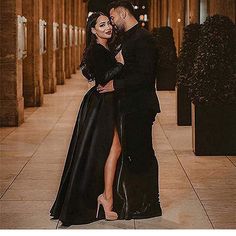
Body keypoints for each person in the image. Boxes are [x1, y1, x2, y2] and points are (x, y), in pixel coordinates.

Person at [50, 12, 124, 226]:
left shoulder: (104, 48)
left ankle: (106, 197)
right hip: (101, 105)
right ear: (93, 30)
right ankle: (105, 198)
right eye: (102, 25)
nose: (108, 27)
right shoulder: (95, 51)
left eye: (108, 23)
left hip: (106, 102)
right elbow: (102, 78)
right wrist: (120, 64)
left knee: (112, 148)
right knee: (108, 148)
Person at [97, 0, 162, 220]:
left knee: (143, 154)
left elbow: (145, 76)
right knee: (135, 154)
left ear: (123, 13)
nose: (112, 23)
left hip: (141, 106)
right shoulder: (129, 37)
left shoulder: (143, 39)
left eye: (113, 18)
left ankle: (151, 205)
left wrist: (116, 85)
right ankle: (139, 201)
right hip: (131, 106)